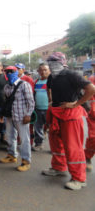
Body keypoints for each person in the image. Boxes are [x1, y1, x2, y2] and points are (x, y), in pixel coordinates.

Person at [42, 52, 95, 190]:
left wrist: (76, 104)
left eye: (55, 61)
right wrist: (51, 103)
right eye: (50, 62)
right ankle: (59, 168)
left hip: (70, 114)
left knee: (73, 147)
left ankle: (79, 178)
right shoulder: (52, 77)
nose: (52, 64)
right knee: (56, 143)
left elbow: (91, 89)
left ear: (62, 62)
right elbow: (50, 90)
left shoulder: (72, 75)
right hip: (56, 112)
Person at [0, 66, 35, 172]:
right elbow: (6, 102)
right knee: (10, 137)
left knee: (24, 140)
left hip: (21, 117)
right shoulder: (7, 87)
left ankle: (26, 161)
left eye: (12, 71)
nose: (9, 73)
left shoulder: (24, 85)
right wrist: (3, 114)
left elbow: (30, 101)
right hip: (10, 116)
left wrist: (28, 115)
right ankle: (12, 155)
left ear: (17, 72)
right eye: (7, 72)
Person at [32, 63, 50, 151]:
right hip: (38, 109)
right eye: (41, 70)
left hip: (50, 109)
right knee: (38, 127)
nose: (43, 72)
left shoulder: (53, 82)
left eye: (45, 70)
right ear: (38, 71)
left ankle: (56, 148)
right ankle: (39, 144)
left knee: (53, 129)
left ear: (49, 71)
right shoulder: (36, 82)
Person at [85, 62, 95, 172]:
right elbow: (89, 95)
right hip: (93, 114)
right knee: (93, 138)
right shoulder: (91, 79)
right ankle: (87, 157)